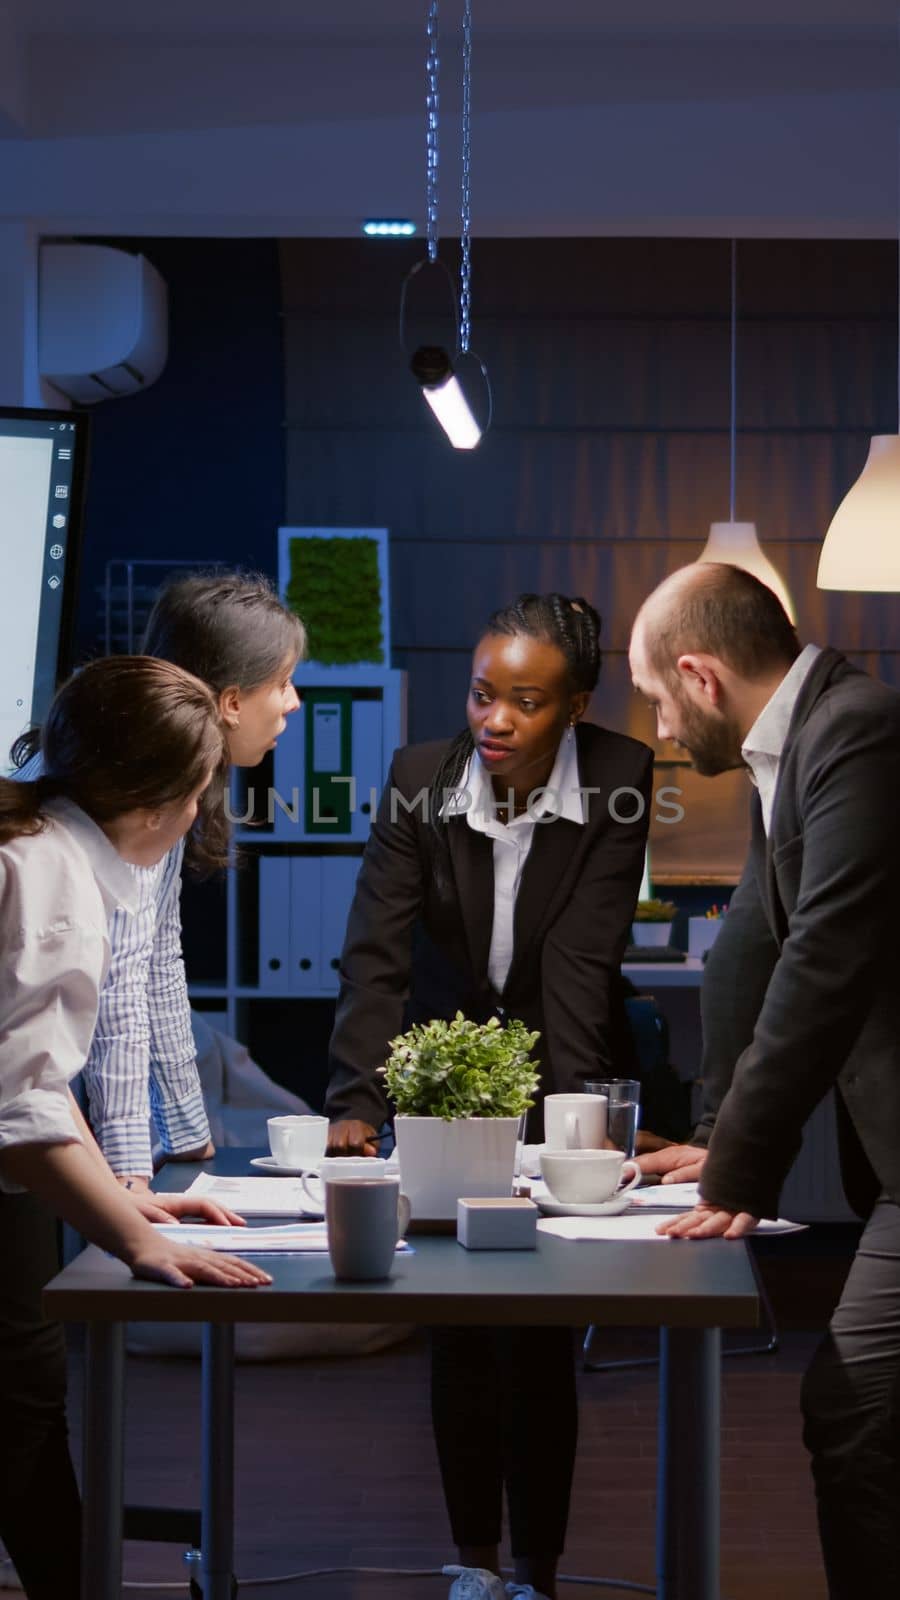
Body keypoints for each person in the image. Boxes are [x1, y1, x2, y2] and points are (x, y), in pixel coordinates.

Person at [325, 594, 653, 1600]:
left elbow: (581, 966)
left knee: (539, 1332)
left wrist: (573, 1126)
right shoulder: (417, 781)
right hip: (435, 1074)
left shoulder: (620, 779)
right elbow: (377, 956)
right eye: (481, 693)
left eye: (525, 700)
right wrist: (355, 1104)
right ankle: (471, 1562)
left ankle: (538, 1570)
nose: (495, 719)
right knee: (459, 1327)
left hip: (558, 1064)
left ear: (576, 706)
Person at [629, 562, 900, 1600]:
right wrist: (715, 1132)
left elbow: (827, 955)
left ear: (699, 675)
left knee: (851, 1411)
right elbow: (751, 940)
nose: (658, 724)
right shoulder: (791, 746)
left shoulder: (859, 731)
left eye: (657, 696)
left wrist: (740, 1170)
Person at [0, 656, 272, 1600]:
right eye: (199, 792)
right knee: (22, 1416)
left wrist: (119, 1196)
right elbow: (22, 1111)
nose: (201, 813)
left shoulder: (40, 844)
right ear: (157, 797)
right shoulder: (57, 886)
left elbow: (31, 1074)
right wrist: (139, 1239)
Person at [13, 570, 305, 1189]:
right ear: (229, 702)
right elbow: (119, 997)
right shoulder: (70, 853)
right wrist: (131, 1182)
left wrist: (187, 1134)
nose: (293, 701)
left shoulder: (164, 781)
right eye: (282, 683)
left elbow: (155, 960)